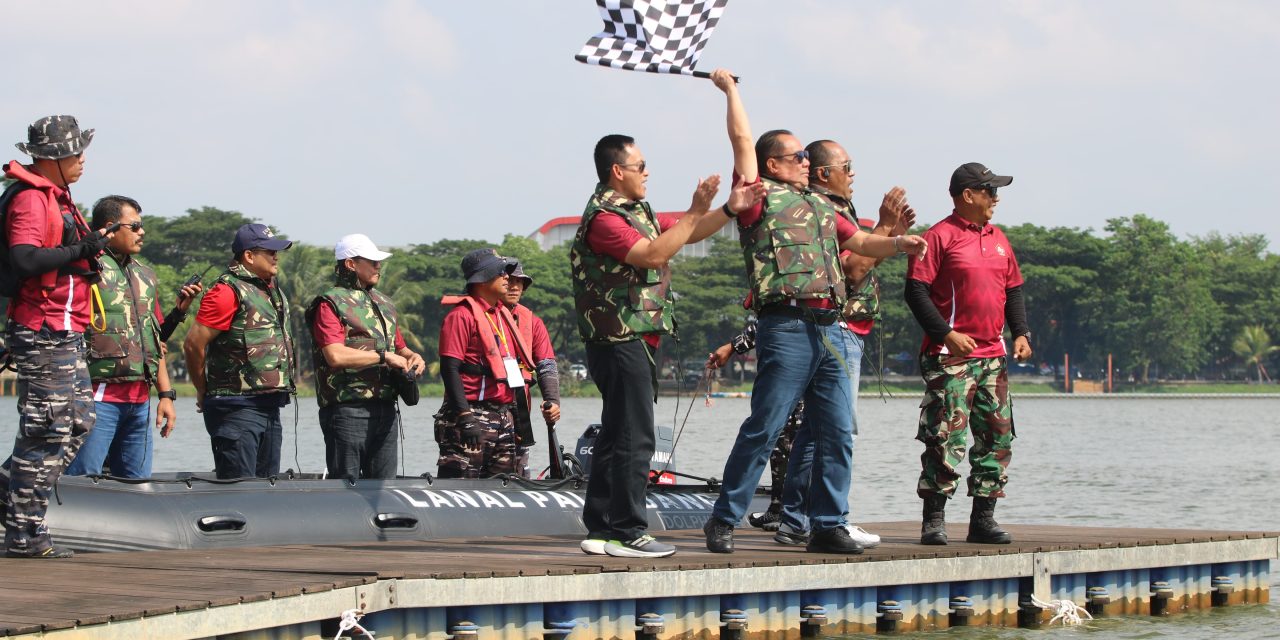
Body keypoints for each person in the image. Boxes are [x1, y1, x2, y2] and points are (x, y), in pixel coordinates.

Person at [702, 69, 926, 555]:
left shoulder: (824, 207)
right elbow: (742, 137)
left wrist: (898, 243)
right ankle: (724, 517)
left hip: (830, 326)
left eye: (807, 156)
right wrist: (732, 90)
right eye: (797, 156)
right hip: (785, 325)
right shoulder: (758, 198)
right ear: (772, 164)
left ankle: (828, 524)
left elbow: (861, 241)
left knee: (837, 430)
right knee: (765, 424)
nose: (806, 162)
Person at [571, 121, 764, 558]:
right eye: (640, 166)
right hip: (619, 338)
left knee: (616, 431)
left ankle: (601, 528)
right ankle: (629, 531)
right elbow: (654, 253)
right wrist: (697, 209)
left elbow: (686, 233)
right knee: (636, 436)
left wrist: (730, 209)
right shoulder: (604, 218)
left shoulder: (635, 211)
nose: (647, 172)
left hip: (631, 339)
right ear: (617, 171)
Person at [762, 140, 919, 548]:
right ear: (822, 173)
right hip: (838, 330)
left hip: (844, 330)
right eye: (846, 167)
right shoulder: (823, 208)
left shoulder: (833, 208)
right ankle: (826, 520)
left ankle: (797, 519)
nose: (853, 175)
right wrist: (885, 228)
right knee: (835, 430)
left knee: (818, 431)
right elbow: (853, 270)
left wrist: (891, 236)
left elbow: (864, 258)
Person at [904, 162, 1032, 545]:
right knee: (946, 436)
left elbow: (1013, 290)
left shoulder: (998, 238)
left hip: (994, 356)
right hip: (950, 355)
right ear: (967, 195)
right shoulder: (938, 236)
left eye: (997, 190)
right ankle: (934, 520)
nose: (996, 197)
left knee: (997, 437)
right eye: (989, 190)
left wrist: (1021, 332)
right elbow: (915, 291)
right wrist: (946, 332)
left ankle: (983, 520)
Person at [0, 115, 107, 558]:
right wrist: (82, 250)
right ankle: (24, 535)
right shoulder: (30, 198)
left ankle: (10, 491)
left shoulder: (58, 197)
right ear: (54, 158)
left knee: (80, 422)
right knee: (46, 430)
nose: (82, 160)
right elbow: (24, 259)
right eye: (75, 153)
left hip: (66, 329)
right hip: (42, 327)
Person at [65, 195, 201, 479]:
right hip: (97, 396)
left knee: (136, 482)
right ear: (111, 227)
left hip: (140, 402)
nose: (142, 232)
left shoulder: (146, 276)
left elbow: (154, 341)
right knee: (83, 480)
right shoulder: (84, 269)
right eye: (135, 226)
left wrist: (166, 395)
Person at [306, 234, 425, 480]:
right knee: (345, 490)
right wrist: (384, 357)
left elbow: (400, 348)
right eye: (372, 261)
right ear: (350, 264)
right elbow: (334, 355)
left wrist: (414, 357)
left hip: (386, 410)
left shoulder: (384, 303)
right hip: (348, 410)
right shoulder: (329, 303)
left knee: (385, 489)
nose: (378, 266)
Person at [183, 223, 296, 479]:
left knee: (266, 490)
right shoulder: (226, 291)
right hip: (235, 408)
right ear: (249, 256)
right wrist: (203, 389)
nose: (276, 256)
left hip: (269, 406)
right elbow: (193, 344)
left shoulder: (269, 290)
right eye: (269, 251)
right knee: (239, 489)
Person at [434, 249, 535, 479]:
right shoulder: (461, 316)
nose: (507, 278)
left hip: (502, 417)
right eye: (501, 272)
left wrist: (518, 420)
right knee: (461, 491)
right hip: (471, 414)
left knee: (502, 494)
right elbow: (449, 369)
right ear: (482, 278)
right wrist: (465, 418)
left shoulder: (503, 315)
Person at [503, 261, 561, 433]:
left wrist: (553, 402)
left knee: (518, 458)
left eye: (519, 282)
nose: (514, 287)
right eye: (509, 281)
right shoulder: (478, 316)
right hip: (481, 410)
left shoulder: (533, 322)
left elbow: (546, 365)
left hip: (519, 407)